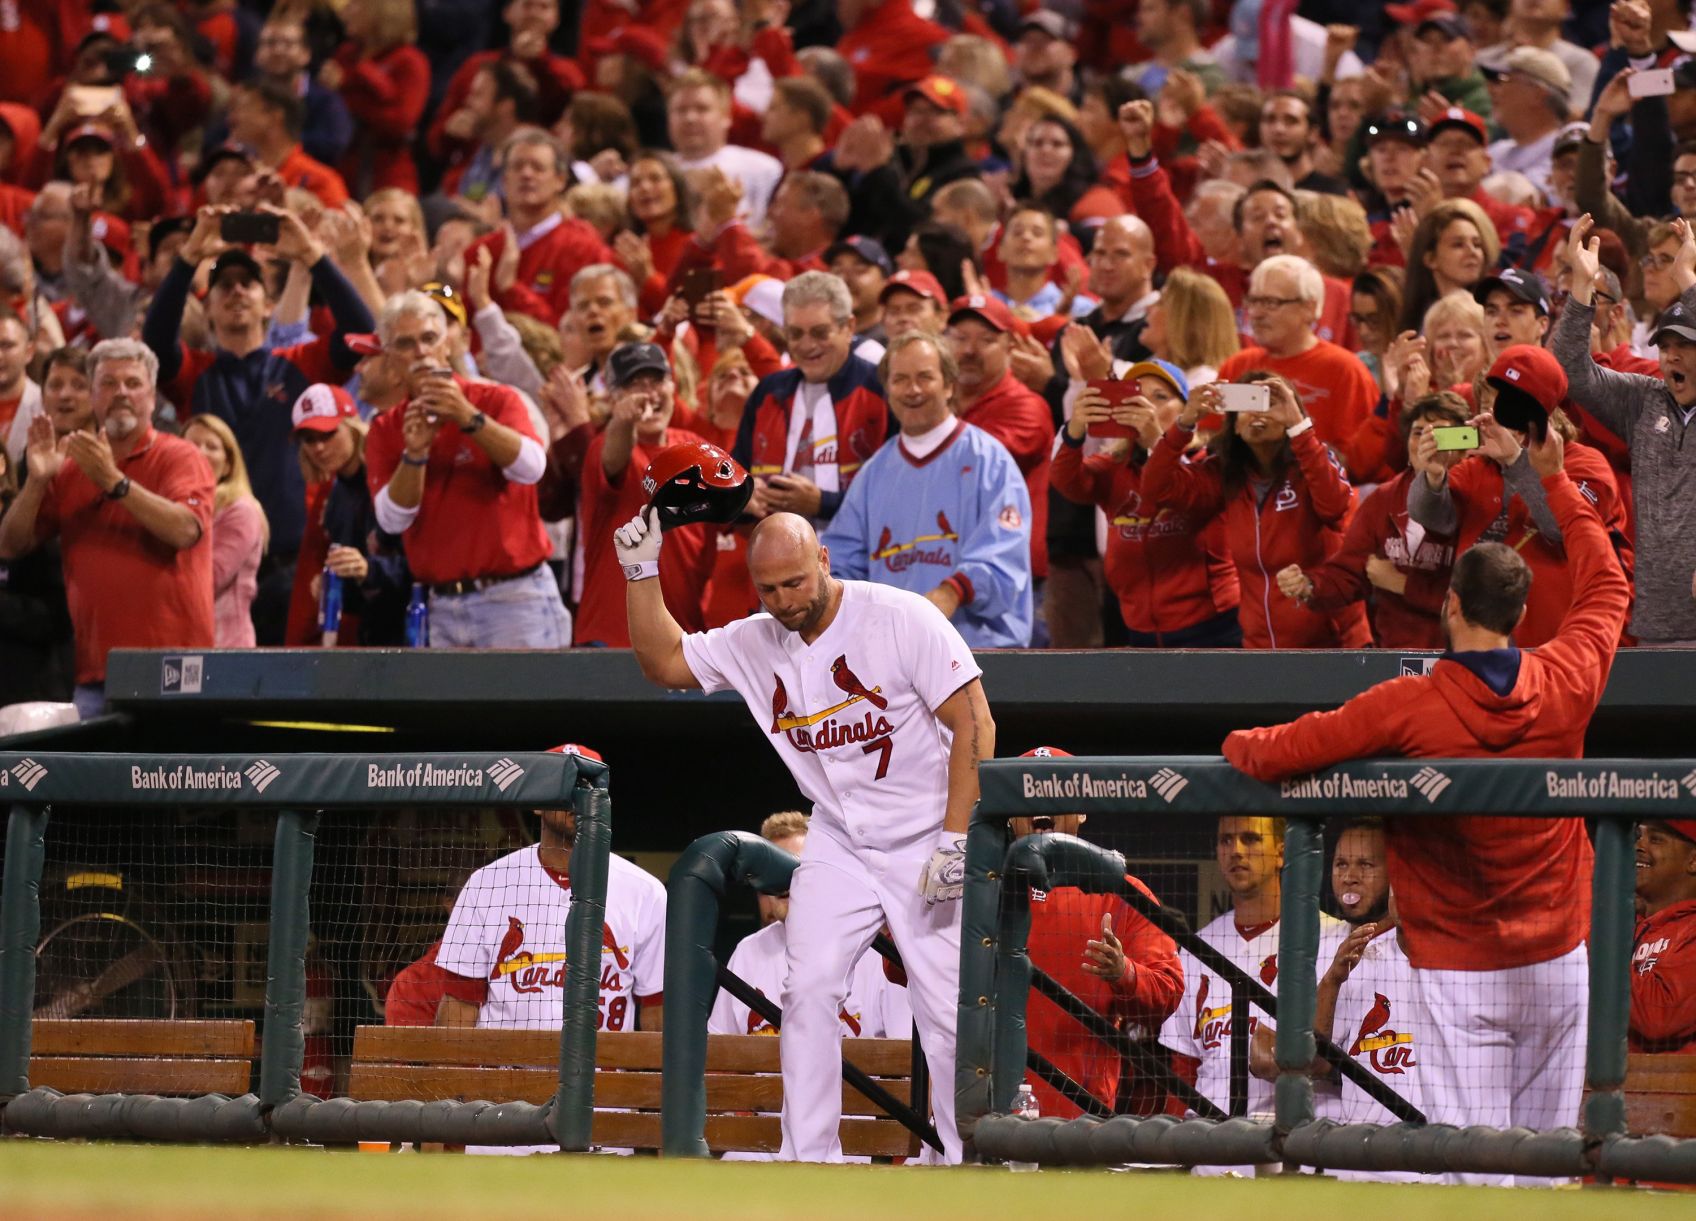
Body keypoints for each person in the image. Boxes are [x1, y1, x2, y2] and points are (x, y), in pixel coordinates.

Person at [1222, 424, 1632, 1179]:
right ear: (1518, 611)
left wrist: (1232, 744)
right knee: (1548, 1174)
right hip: (1556, 963)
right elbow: (1608, 587)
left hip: (1457, 966)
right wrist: (1562, 491)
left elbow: (1284, 749)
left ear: (1450, 605)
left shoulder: (1410, 704)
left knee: (1476, 1176)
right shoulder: (1568, 675)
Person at [618, 502, 993, 1163]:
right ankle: (810, 1157)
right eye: (770, 588)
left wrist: (956, 839)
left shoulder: (900, 616)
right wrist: (640, 569)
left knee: (945, 1008)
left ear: (823, 559)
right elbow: (664, 660)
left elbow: (975, 723)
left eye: (795, 581)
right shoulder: (756, 640)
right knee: (807, 984)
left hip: (927, 829)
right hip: (841, 837)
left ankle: (971, 1162)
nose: (786, 599)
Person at [0, 338, 213, 720]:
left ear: (152, 395)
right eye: (108, 384)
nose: (121, 394)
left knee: (176, 779)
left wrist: (114, 481)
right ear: (93, 396)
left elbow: (185, 530)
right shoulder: (68, 468)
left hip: (176, 672)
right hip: (97, 675)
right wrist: (36, 481)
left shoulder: (181, 456)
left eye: (133, 383)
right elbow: (10, 546)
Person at [362, 292, 568, 649]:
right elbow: (393, 521)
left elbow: (532, 468)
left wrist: (468, 418)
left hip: (516, 599)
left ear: (447, 345)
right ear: (390, 361)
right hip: (440, 605)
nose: (421, 352)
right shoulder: (384, 429)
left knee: (531, 707)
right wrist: (415, 454)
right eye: (406, 344)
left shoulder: (497, 400)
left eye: (429, 338)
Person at [821, 332, 1034, 649]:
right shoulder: (873, 473)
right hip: (894, 656)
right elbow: (842, 563)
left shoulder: (990, 461)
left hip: (978, 653)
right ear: (888, 389)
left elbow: (1003, 559)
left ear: (949, 385)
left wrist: (949, 593)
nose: (913, 390)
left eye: (925, 377)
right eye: (900, 379)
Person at [1409, 347, 1628, 648]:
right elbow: (1434, 519)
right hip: (1478, 645)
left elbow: (1565, 529)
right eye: (1488, 406)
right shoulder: (1478, 467)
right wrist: (1433, 477)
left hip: (1558, 648)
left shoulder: (1585, 464)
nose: (1494, 418)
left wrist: (1515, 461)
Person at [1010, 746, 1184, 1119]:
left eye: (1054, 791)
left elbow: (1168, 992)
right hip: (985, 1107)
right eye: (1026, 791)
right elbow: (901, 969)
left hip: (1080, 1113)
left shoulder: (1121, 893)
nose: (1040, 804)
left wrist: (1125, 973)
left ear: (1082, 808)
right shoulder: (979, 890)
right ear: (1008, 814)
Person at [1248, 819, 1430, 1167]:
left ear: (1397, 874)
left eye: (1366, 865)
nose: (1350, 876)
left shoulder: (1434, 954)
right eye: (1341, 864)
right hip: (1351, 1146)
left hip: (1426, 1149)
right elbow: (1264, 1053)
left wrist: (1335, 1065)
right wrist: (1331, 986)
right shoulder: (1312, 948)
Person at [1143, 372, 1369, 650]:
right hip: (1261, 649)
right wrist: (1185, 423)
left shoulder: (1316, 461)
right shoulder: (1224, 475)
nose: (1256, 413)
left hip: (1333, 645)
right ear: (1235, 426)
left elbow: (1336, 507)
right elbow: (1157, 489)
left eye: (1269, 402)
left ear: (1291, 413)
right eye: (1246, 404)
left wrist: (1299, 428)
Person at [1555, 213, 1696, 645]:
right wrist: (1581, 291)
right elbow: (1572, 372)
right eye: (1665, 347)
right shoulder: (1644, 400)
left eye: (1685, 347)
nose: (1672, 357)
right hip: (1655, 624)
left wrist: (1688, 280)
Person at [1160, 817, 1342, 1135]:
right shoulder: (1196, 948)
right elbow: (1184, 1068)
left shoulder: (1333, 941)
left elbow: (1351, 1066)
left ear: (1282, 852)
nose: (1236, 851)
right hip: (1207, 1142)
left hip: (1292, 1141)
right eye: (1226, 841)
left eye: (1251, 839)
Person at [1053, 360, 1241, 648]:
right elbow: (1068, 482)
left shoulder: (1207, 463)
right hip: (1138, 626)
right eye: (1136, 395)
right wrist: (1076, 428)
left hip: (1212, 626)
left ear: (1186, 411)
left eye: (1160, 397)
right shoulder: (1114, 466)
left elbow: (1179, 489)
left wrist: (1159, 439)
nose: (1145, 405)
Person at [1281, 394, 1468, 649]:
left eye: (1441, 435)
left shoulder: (1475, 499)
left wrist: (1403, 584)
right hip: (1393, 652)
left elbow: (1479, 600)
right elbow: (1349, 573)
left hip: (1457, 653)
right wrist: (1309, 585)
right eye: (1418, 433)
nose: (1427, 443)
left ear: (1464, 445)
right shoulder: (1383, 499)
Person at [708, 810, 912, 1040]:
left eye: (795, 866)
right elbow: (720, 1052)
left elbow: (904, 1059)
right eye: (773, 869)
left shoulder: (874, 951)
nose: (783, 879)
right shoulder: (749, 951)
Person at [575, 342, 716, 646]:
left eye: (656, 381)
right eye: (634, 385)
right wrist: (623, 422)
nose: (649, 393)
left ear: (672, 385)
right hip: (613, 639)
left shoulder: (695, 448)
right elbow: (613, 458)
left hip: (684, 638)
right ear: (613, 397)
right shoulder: (604, 446)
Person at [733, 272, 888, 526]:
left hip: (860, 560)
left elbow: (900, 493)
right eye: (795, 334)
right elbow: (732, 478)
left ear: (848, 328)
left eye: (819, 332)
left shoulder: (881, 389)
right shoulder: (766, 393)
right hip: (775, 557)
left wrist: (822, 503)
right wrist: (743, 497)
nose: (807, 345)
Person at [1212, 255, 1380, 452]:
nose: (1256, 313)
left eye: (1270, 302)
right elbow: (1214, 440)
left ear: (1309, 308)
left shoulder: (1344, 370)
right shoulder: (1237, 366)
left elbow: (1356, 459)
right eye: (1253, 301)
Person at [284, 383, 407, 647]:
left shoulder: (389, 476)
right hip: (374, 636)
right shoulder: (336, 498)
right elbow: (362, 594)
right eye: (309, 439)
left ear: (352, 427)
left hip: (417, 629)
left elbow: (419, 566)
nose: (318, 448)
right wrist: (335, 583)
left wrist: (367, 569)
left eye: (327, 434)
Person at [945, 295, 1055, 588]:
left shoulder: (1027, 407)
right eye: (960, 338)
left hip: (1011, 575)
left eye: (986, 340)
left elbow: (963, 468)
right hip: (950, 566)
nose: (969, 350)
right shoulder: (947, 406)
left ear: (1011, 347)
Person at [465, 128, 615, 326]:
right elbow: (458, 315)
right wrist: (441, 284)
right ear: (504, 181)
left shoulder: (584, 248)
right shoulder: (481, 252)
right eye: (517, 167)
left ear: (560, 180)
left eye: (538, 167)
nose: (526, 174)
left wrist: (511, 289)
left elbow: (572, 331)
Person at [182, 413, 266, 649]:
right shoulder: (173, 505)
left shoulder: (241, 511)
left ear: (228, 464)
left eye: (211, 446)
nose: (200, 452)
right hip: (186, 642)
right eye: (192, 444)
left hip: (227, 647)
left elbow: (211, 578)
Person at [667, 69, 783, 227]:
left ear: (726, 117)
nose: (690, 118)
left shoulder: (764, 169)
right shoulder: (649, 174)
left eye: (702, 109)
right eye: (681, 110)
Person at [1632, 819, 1696, 1054]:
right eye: (1638, 836)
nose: (1639, 846)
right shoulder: (1622, 928)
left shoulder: (1691, 929)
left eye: (1656, 839)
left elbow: (1659, 1016)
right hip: (1598, 1085)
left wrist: (1596, 950)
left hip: (1670, 1086)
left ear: (1693, 860)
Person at [1396, 199, 1498, 334]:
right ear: (1430, 259)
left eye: (1477, 244)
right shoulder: (1413, 320)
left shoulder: (1495, 315)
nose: (1472, 252)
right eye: (1458, 244)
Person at [1259, 92, 1348, 196]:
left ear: (1312, 133)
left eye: (1291, 121)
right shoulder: (1246, 186)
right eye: (1270, 120)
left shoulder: (1333, 191)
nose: (1278, 129)